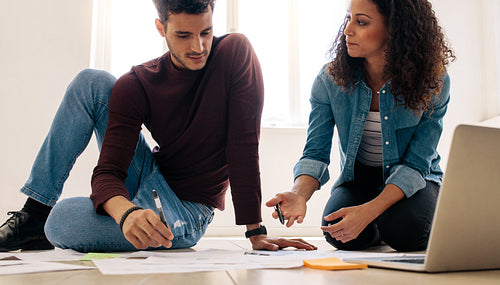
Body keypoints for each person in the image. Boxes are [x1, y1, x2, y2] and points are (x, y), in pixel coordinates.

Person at [0, 0, 316, 253]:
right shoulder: (138, 83)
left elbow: (244, 146)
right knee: (93, 82)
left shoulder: (234, 54)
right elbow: (109, 172)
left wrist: (255, 231)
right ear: (160, 28)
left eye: (205, 32)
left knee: (63, 221)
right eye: (183, 35)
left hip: (186, 209)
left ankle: (53, 221)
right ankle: (33, 213)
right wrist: (125, 212)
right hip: (151, 175)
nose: (199, 47)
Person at [266, 0, 455, 252]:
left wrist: (369, 211)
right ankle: (379, 230)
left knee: (407, 231)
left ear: (394, 29)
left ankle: (393, 222)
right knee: (337, 233)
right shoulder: (329, 80)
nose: (347, 30)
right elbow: (315, 154)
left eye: (361, 21)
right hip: (360, 178)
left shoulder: (434, 82)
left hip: (415, 177)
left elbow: (417, 164)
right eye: (349, 19)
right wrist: (299, 194)